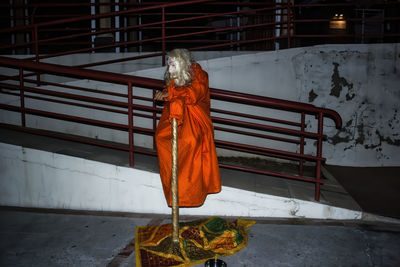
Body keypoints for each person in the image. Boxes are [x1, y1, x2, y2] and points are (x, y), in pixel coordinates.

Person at [154, 48, 221, 207]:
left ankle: (187, 192)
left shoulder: (200, 75)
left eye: (173, 66)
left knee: (190, 143)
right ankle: (173, 189)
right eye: (168, 66)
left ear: (183, 64)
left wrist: (169, 94)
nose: (169, 70)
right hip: (173, 117)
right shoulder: (175, 76)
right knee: (160, 138)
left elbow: (193, 93)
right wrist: (164, 93)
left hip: (194, 120)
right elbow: (173, 91)